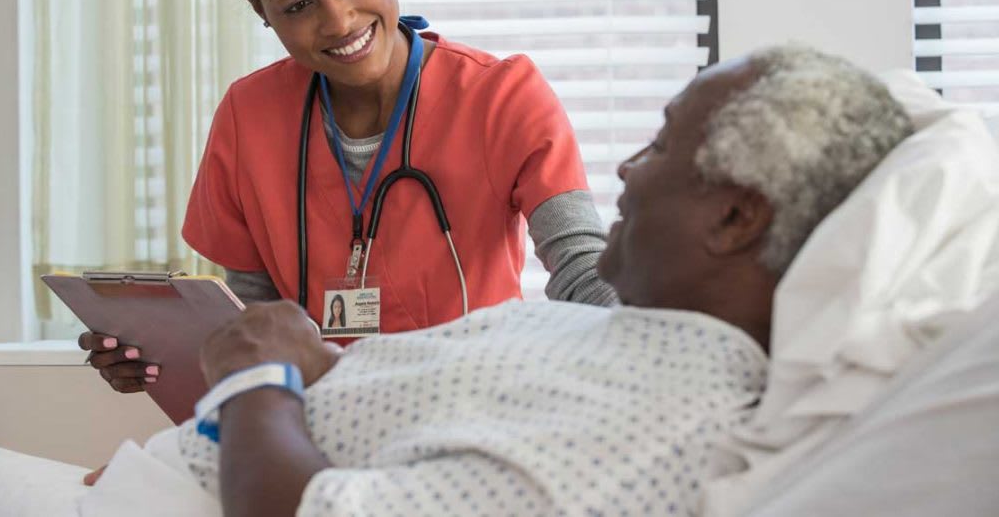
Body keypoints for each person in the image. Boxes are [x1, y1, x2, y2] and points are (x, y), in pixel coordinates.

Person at [164, 45, 913, 516]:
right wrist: (287, 362)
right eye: (294, 6)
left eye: (659, 144)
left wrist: (256, 375)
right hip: (209, 448)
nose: (625, 166)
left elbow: (581, 263)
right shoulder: (596, 339)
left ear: (734, 218)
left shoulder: (642, 431)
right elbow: (276, 332)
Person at [78, 0, 615, 392]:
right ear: (259, 8)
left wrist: (668, 343)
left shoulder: (502, 97)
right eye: (297, 6)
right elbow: (254, 326)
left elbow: (581, 268)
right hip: (314, 431)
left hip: (473, 414)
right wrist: (162, 360)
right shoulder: (248, 119)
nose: (338, 22)